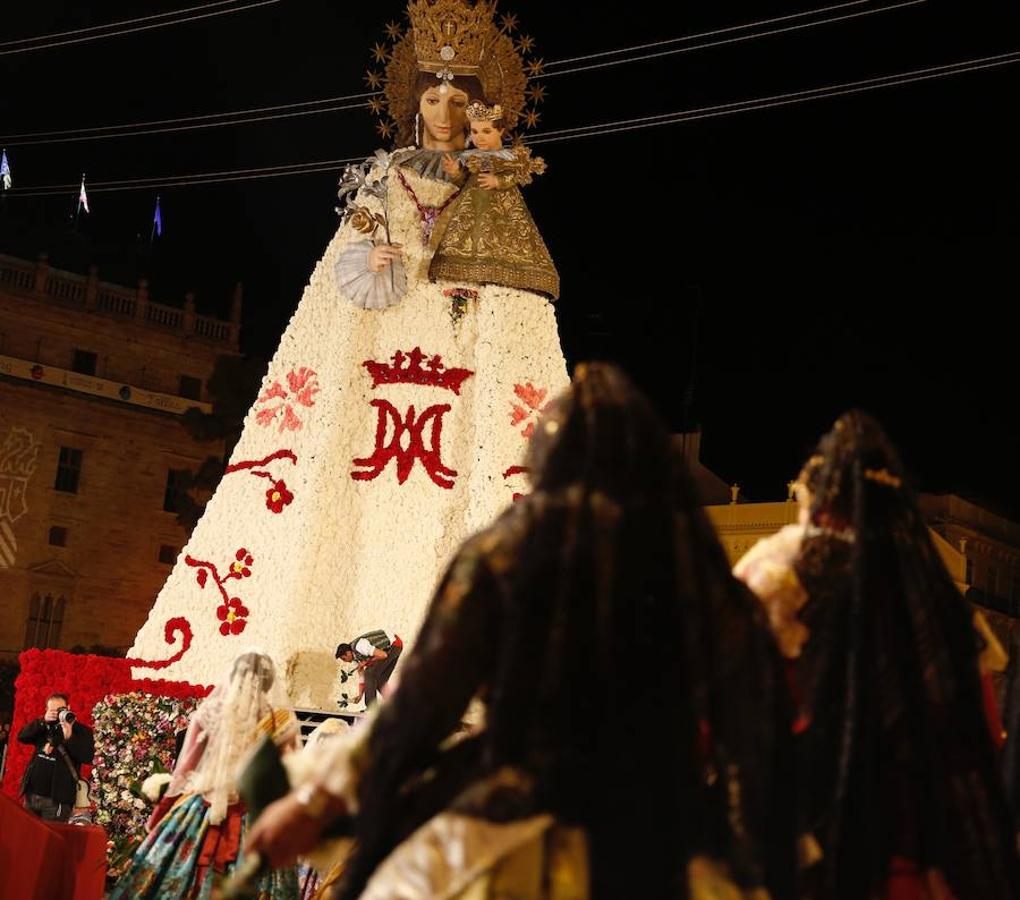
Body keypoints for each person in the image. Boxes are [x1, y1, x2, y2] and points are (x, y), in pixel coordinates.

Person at [126, 0, 568, 710]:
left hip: (462, 344)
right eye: (434, 95)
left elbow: (513, 266)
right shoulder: (385, 172)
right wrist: (375, 257)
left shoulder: (492, 178)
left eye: (460, 99)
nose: (446, 111)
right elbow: (350, 261)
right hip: (382, 342)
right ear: (413, 101)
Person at [246, 363, 796, 899]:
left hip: (506, 835)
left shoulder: (507, 550)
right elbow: (751, 731)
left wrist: (314, 803)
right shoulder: (701, 571)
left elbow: (419, 710)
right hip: (663, 837)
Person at [736, 411, 1019, 899]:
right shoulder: (940, 602)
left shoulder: (779, 577)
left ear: (815, 499)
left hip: (797, 857)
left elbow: (730, 711)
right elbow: (983, 732)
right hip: (912, 864)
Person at [109, 652, 300, 899]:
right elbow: (290, 776)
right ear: (269, 682)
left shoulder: (212, 712)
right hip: (253, 814)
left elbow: (184, 768)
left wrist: (160, 811)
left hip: (203, 806)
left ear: (232, 676)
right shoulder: (279, 720)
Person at [428, 100, 559, 298]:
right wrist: (456, 173)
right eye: (475, 132)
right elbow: (466, 182)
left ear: (501, 131)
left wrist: (498, 181)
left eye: (486, 131)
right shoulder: (471, 157)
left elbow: (519, 175)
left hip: (503, 212)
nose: (479, 137)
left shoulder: (508, 157)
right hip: (471, 211)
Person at [17, 691, 94, 822]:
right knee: (28, 837)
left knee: (50, 839)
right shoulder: (43, 726)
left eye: (61, 710)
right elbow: (22, 737)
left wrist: (69, 736)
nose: (57, 713)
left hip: (57, 801)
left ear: (68, 708)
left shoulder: (81, 731)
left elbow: (87, 757)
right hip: (31, 795)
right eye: (53, 710)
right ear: (46, 710)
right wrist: (42, 721)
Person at [335, 630, 403, 707]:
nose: (345, 661)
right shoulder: (355, 659)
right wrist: (360, 695)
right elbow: (362, 676)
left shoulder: (359, 646)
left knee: (369, 672)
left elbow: (383, 655)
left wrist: (366, 662)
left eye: (344, 659)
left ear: (348, 653)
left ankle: (371, 708)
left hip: (394, 643)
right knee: (380, 681)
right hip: (392, 647)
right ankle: (397, 706)